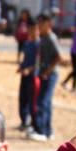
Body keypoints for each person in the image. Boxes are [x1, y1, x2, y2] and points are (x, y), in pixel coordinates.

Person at [32, 12, 62, 141]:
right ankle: (49, 131)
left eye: (41, 23)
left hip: (50, 75)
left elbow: (59, 57)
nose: (38, 25)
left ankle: (42, 131)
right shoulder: (43, 37)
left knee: (43, 101)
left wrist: (47, 72)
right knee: (46, 102)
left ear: (48, 24)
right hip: (45, 73)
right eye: (38, 22)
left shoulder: (51, 37)